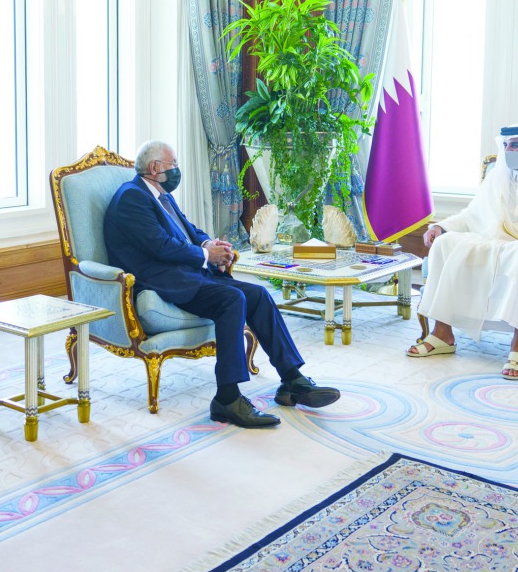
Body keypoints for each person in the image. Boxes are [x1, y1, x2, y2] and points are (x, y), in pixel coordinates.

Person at [103, 140, 341, 428]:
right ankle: (227, 398)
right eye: (173, 164)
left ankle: (292, 380)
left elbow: (188, 230)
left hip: (186, 273)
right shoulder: (132, 197)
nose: (177, 169)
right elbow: (160, 246)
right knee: (232, 299)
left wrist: (208, 243)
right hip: (161, 280)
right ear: (155, 168)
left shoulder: (160, 195)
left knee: (258, 295)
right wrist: (206, 256)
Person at [408, 123, 518, 380]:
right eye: (505, 145)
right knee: (446, 244)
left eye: (515, 145)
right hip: (498, 241)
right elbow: (471, 215)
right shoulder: (497, 175)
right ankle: (442, 333)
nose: (508, 150)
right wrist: (441, 226)